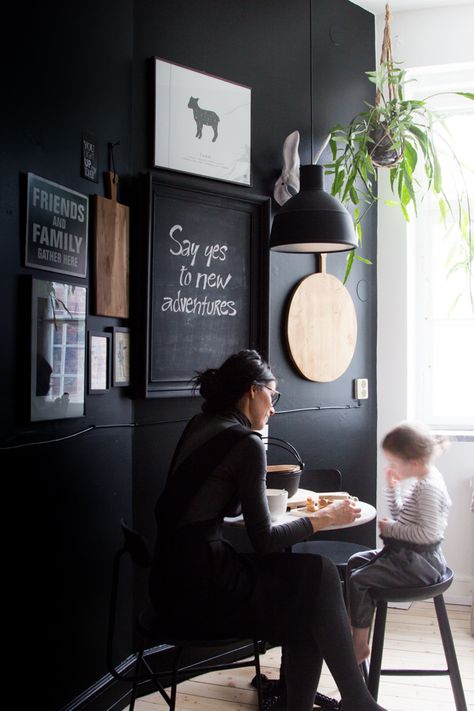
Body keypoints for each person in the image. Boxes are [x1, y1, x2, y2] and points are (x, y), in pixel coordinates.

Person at [150, 349, 389, 711]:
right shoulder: (246, 443)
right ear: (252, 391)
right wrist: (326, 518)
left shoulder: (202, 424)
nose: (274, 407)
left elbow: (214, 502)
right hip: (203, 589)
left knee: (310, 592)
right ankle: (358, 701)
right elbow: (264, 541)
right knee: (318, 578)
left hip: (169, 579)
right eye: (272, 395)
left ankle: (349, 701)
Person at [347, 421, 451, 664]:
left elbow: (427, 534)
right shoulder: (420, 482)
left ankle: (359, 644)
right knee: (355, 562)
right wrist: (392, 489)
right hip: (409, 556)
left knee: (358, 580)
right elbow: (402, 515)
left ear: (413, 462)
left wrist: (392, 529)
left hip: (421, 564)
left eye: (394, 463)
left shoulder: (428, 488)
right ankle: (356, 627)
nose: (391, 467)